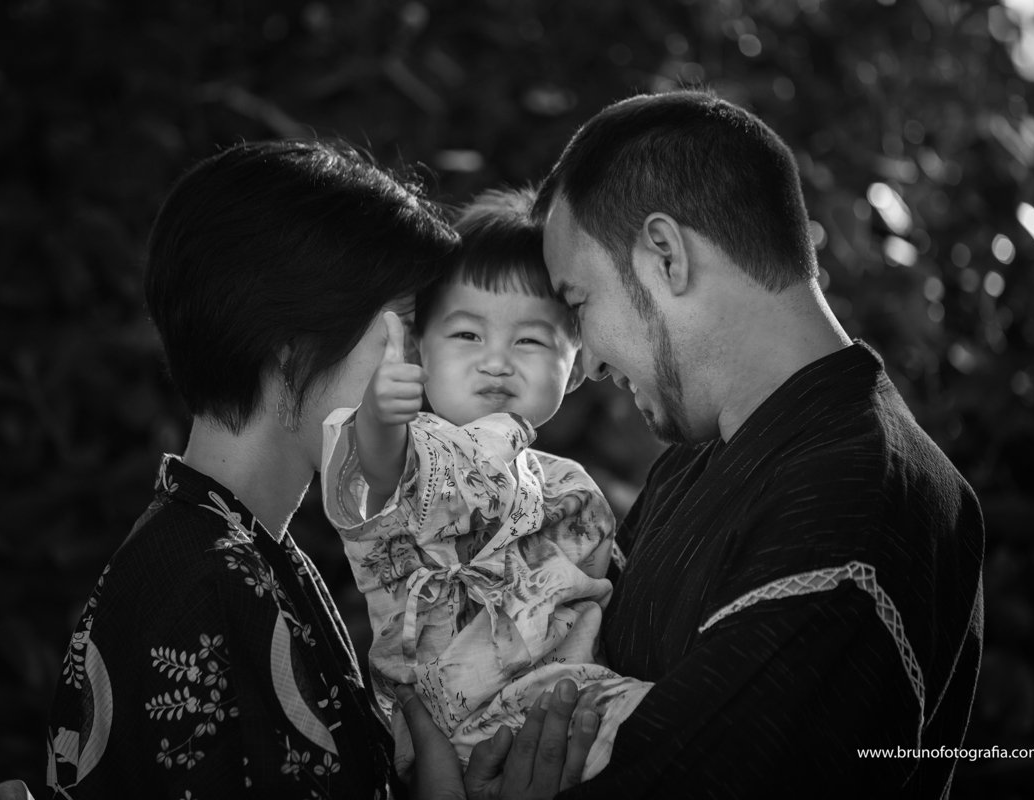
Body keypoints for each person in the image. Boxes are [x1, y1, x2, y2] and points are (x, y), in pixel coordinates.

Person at [401, 90, 985, 798]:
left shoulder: (853, 499)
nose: (587, 363)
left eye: (578, 302)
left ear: (665, 255)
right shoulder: (699, 459)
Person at [43, 140, 597, 800]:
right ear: (291, 344)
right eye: (404, 329)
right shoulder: (202, 584)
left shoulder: (241, 553)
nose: (422, 370)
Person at [319, 189, 652, 782]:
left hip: (563, 703)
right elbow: (379, 476)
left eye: (529, 340)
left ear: (576, 365)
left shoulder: (568, 486)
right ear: (419, 348)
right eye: (468, 335)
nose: (496, 361)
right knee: (675, 729)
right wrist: (377, 416)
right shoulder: (421, 448)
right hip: (458, 723)